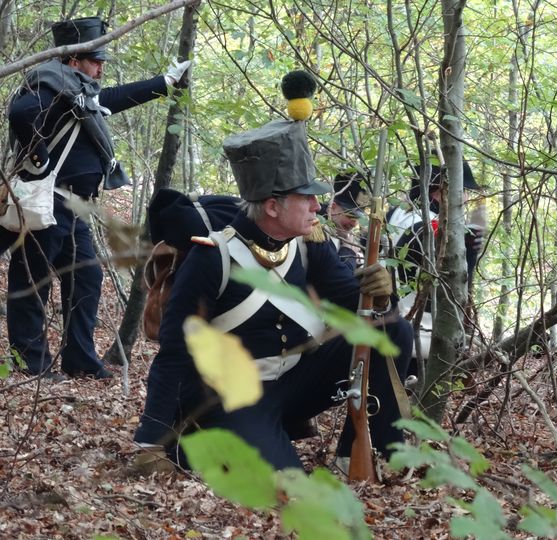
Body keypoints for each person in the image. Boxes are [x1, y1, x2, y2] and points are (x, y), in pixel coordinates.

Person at [133, 115, 412, 472]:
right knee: (285, 486)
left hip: (293, 385)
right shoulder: (212, 257)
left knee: (391, 330)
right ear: (272, 205)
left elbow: (357, 307)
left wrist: (381, 294)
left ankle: (363, 454)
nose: (317, 206)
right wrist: (150, 441)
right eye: (307, 198)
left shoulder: (312, 245)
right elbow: (175, 353)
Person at [2, 16, 191, 381]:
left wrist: (164, 83)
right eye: (94, 60)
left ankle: (80, 359)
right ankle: (30, 365)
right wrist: (40, 161)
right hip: (46, 203)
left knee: (86, 279)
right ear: (73, 60)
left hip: (74, 208)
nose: (100, 67)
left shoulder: (74, 91)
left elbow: (114, 98)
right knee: (31, 284)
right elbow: (20, 112)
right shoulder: (50, 84)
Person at [387, 158, 484, 362]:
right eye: (463, 190)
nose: (466, 198)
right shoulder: (434, 229)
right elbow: (456, 288)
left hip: (387, 327)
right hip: (419, 340)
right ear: (439, 192)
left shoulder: (394, 215)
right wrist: (469, 249)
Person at [320, 170, 370, 271]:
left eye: (358, 218)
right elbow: (334, 278)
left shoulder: (335, 228)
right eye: (351, 215)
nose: (354, 223)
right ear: (332, 207)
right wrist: (348, 252)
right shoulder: (317, 230)